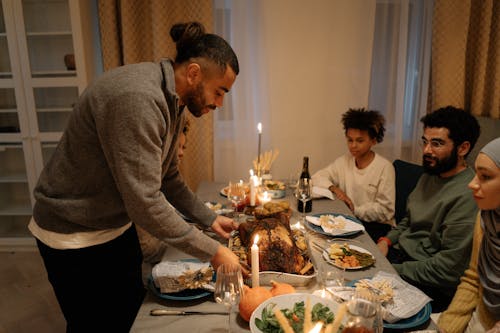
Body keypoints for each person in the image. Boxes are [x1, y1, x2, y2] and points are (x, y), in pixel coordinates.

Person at [28, 22, 243, 332]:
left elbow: (167, 177)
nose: (219, 103)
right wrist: (214, 252)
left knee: (132, 317)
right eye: (219, 91)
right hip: (71, 235)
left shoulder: (174, 100)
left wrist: (208, 218)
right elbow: (145, 202)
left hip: (112, 225)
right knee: (94, 325)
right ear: (194, 73)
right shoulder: (138, 98)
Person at [377, 106, 481, 312]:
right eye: (425, 142)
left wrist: (389, 270)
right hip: (399, 260)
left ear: (463, 148)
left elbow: (447, 270)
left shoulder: (469, 194)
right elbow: (408, 220)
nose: (426, 151)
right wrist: (387, 240)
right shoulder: (430, 175)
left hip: (430, 284)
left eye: (437, 144)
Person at [438, 137, 500, 333]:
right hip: (482, 314)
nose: (472, 184)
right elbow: (474, 280)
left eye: (485, 177)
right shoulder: (486, 218)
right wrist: (445, 329)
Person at [312, 108, 395, 241]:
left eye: (360, 141)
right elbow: (317, 177)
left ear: (373, 140)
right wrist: (335, 189)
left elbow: (385, 210)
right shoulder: (345, 161)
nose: (353, 146)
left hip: (376, 228)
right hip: (350, 221)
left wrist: (354, 210)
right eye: (350, 140)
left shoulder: (384, 167)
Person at [137, 120, 190, 264]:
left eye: (183, 147)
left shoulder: (164, 175)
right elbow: (148, 247)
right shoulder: (144, 182)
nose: (181, 153)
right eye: (177, 147)